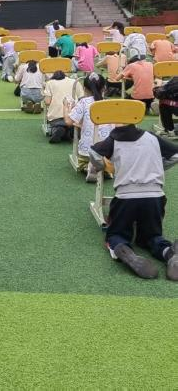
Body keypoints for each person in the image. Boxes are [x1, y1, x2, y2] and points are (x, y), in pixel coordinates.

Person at [89, 123, 178, 280]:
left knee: (115, 234)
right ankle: (169, 253)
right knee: (152, 237)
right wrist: (157, 166)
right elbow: (175, 154)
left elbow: (94, 152)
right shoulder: (151, 137)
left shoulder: (113, 139)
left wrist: (101, 166)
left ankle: (126, 251)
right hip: (154, 196)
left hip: (126, 198)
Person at [64, 73, 113, 182]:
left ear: (84, 89)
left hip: (87, 151)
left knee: (82, 161)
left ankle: (88, 166)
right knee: (109, 159)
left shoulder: (84, 102)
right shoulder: (110, 104)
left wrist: (66, 106)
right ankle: (105, 168)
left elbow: (68, 121)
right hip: (107, 150)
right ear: (104, 88)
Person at [44, 70, 84, 143]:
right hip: (73, 116)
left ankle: (58, 130)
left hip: (56, 117)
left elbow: (47, 102)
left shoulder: (49, 83)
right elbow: (81, 99)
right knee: (73, 126)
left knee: (56, 126)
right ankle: (71, 132)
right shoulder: (75, 82)